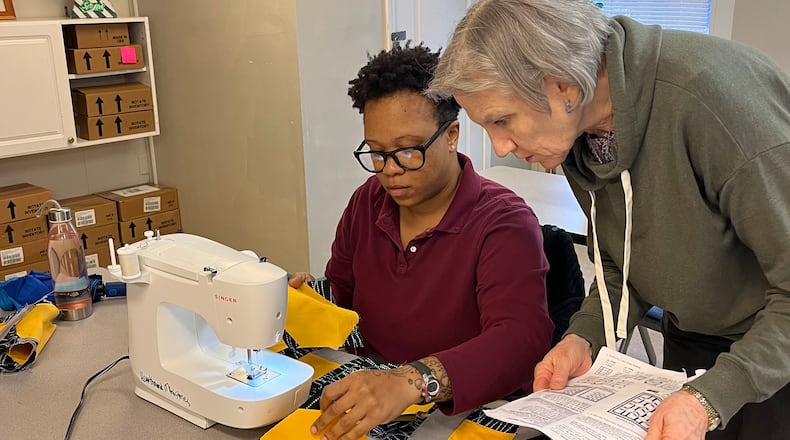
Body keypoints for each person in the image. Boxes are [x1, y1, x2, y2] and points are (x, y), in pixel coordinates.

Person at [427, 0, 790, 439]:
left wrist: (713, 396)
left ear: (563, 85)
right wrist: (585, 338)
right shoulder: (580, 131)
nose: (500, 147)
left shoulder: (710, 99)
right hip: (694, 338)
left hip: (775, 351)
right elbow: (625, 260)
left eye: (502, 120)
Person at [288, 43, 554, 440]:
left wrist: (411, 380)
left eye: (408, 151)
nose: (390, 170)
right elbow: (344, 295)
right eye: (377, 153)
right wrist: (311, 297)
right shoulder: (367, 201)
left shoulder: (503, 223)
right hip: (377, 391)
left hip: (471, 410)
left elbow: (520, 341)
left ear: (451, 136)